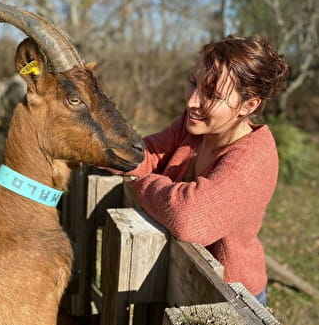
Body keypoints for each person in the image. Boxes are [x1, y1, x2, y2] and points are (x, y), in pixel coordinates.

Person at [122, 35, 289, 306]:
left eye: (211, 94)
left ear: (249, 105)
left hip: (229, 301)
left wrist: (140, 181)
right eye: (193, 83)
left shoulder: (253, 158)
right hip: (181, 281)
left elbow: (191, 219)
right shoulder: (192, 127)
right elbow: (142, 155)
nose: (192, 101)